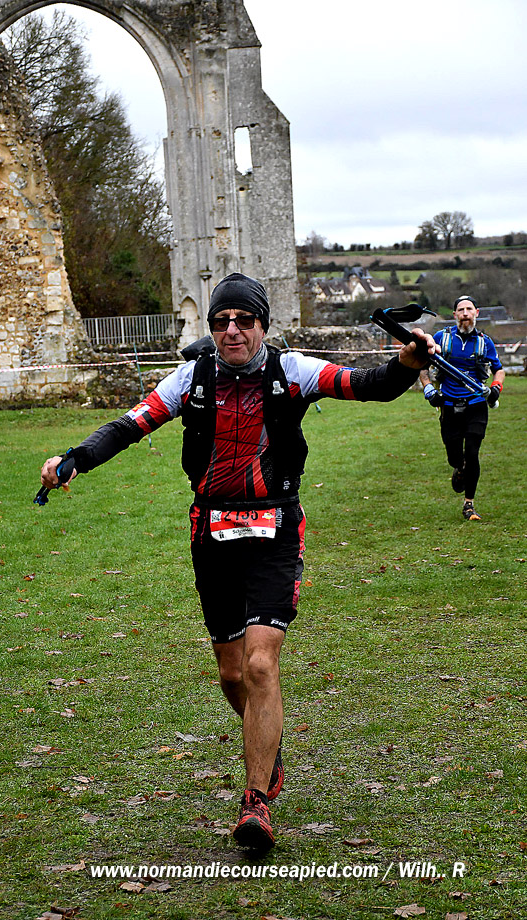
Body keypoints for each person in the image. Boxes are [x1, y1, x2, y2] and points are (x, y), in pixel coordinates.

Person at [41, 272, 436, 851]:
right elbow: (129, 426)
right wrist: (75, 458)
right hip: (212, 531)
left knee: (259, 665)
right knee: (231, 674)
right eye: (221, 321)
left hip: (275, 530)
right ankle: (267, 749)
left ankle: (256, 803)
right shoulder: (191, 379)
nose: (232, 330)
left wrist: (405, 365)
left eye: (244, 320)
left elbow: (366, 384)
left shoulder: (292, 370)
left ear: (263, 326)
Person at [419, 295, 504, 522]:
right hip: (449, 404)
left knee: (473, 453)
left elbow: (499, 369)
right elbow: (423, 367)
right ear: (455, 314)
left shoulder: (485, 342)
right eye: (461, 310)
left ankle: (469, 505)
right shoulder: (441, 338)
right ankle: (458, 466)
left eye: (469, 309)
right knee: (455, 456)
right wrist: (428, 388)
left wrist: (496, 387)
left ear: (477, 312)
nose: (465, 313)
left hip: (476, 404)